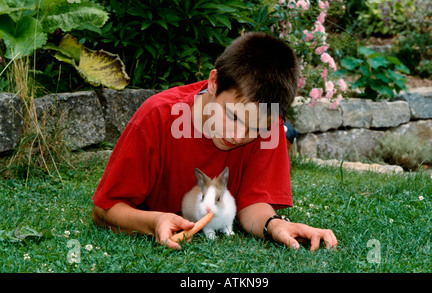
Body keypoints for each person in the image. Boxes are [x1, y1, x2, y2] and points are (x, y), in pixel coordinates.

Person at [92, 32, 337, 251]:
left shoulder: (269, 126)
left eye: (255, 128)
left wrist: (275, 226)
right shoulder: (156, 117)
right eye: (232, 116)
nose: (238, 135)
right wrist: (154, 222)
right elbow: (104, 210)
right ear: (213, 82)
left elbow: (253, 203)